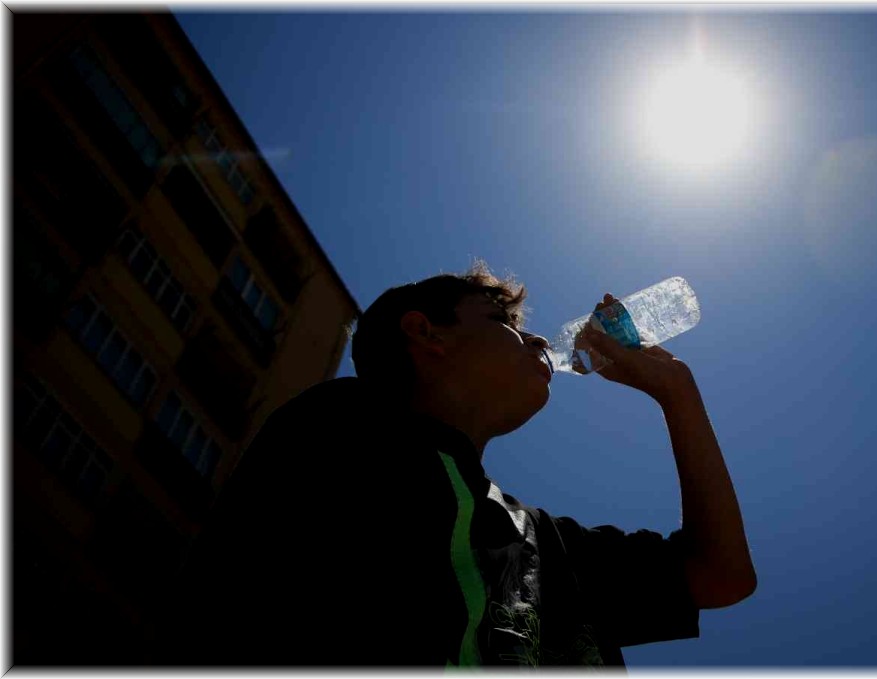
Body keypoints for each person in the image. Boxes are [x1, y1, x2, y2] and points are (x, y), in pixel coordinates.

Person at [159, 261, 755, 667]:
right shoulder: (343, 431)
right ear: (426, 335)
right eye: (504, 325)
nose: (541, 343)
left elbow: (720, 574)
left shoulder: (540, 545)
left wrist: (677, 391)